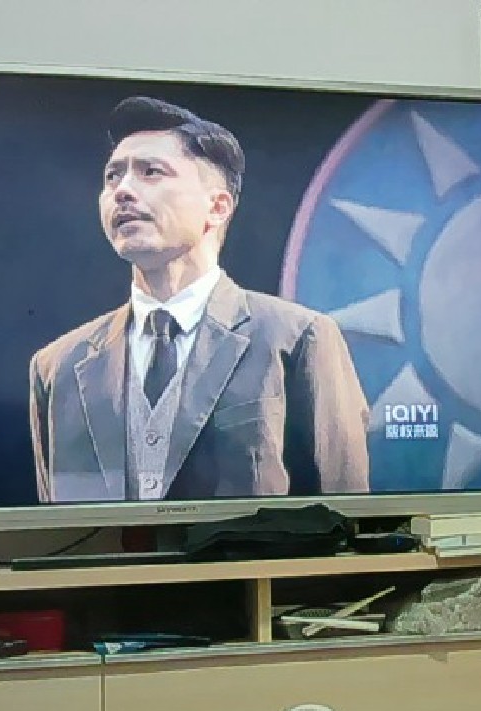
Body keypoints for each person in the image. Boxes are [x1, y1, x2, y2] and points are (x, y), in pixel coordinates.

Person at [29, 95, 370, 504]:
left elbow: (343, 516)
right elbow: (54, 527)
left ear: (217, 207)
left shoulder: (297, 338)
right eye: (112, 177)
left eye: (151, 172)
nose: (123, 191)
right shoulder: (57, 366)